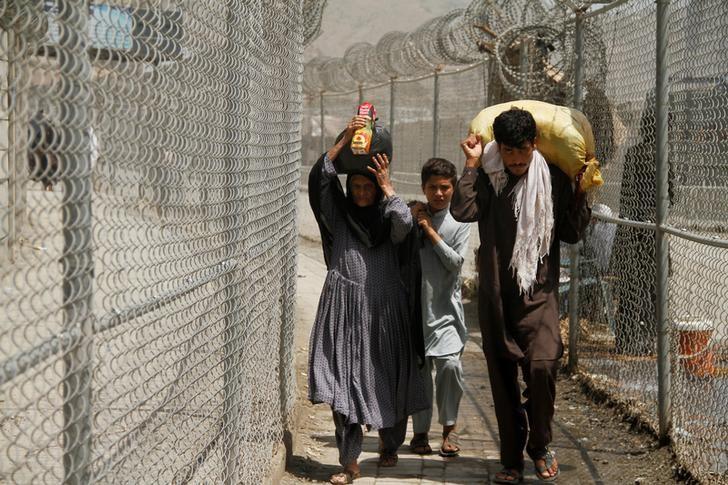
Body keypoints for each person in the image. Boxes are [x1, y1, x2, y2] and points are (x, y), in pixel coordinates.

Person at [450, 108, 591, 483]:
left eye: (522, 151)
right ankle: (511, 459)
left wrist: (580, 192)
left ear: (534, 146)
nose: (514, 160)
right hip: (497, 294)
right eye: (508, 151)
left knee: (543, 364)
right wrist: (470, 164)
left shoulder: (554, 179)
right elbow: (463, 210)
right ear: (499, 147)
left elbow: (572, 233)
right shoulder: (488, 175)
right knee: (502, 377)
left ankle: (540, 444)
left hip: (540, 293)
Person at [307, 115, 428, 485]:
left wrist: (389, 188)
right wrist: (344, 138)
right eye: (355, 186)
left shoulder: (387, 214)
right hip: (343, 312)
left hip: (384, 313)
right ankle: (349, 463)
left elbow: (405, 226)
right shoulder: (339, 217)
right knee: (341, 382)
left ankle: (390, 444)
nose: (361, 193)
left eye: (367, 187)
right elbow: (321, 181)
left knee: (386, 379)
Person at [408, 158, 470, 458]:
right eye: (433, 187)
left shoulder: (459, 222)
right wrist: (413, 219)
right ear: (424, 188)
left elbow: (455, 263)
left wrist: (429, 231)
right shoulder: (412, 216)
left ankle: (449, 430)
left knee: (450, 366)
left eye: (445, 187)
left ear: (453, 187)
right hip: (417, 314)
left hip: (446, 315)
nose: (439, 193)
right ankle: (419, 435)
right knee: (420, 375)